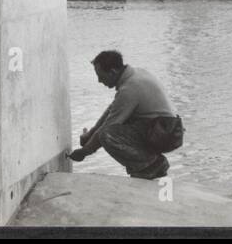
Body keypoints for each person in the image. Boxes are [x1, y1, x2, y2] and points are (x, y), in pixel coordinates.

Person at [69, 50, 183, 179]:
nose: (99, 81)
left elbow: (107, 128)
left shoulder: (129, 88)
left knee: (107, 135)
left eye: (100, 76)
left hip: (165, 132)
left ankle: (151, 165)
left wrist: (85, 151)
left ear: (112, 72)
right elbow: (112, 110)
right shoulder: (136, 74)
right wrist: (90, 134)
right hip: (167, 128)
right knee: (114, 126)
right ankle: (151, 163)